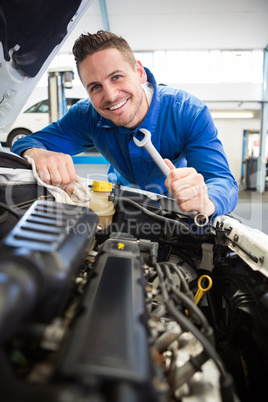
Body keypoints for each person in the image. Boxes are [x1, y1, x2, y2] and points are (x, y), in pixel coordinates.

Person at [11, 30, 238, 221]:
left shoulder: (187, 111)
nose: (110, 95)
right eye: (95, 87)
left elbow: (222, 181)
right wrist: (37, 153)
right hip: (120, 202)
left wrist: (207, 201)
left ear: (139, 72)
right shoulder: (86, 116)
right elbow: (28, 142)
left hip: (176, 208)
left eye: (117, 77)